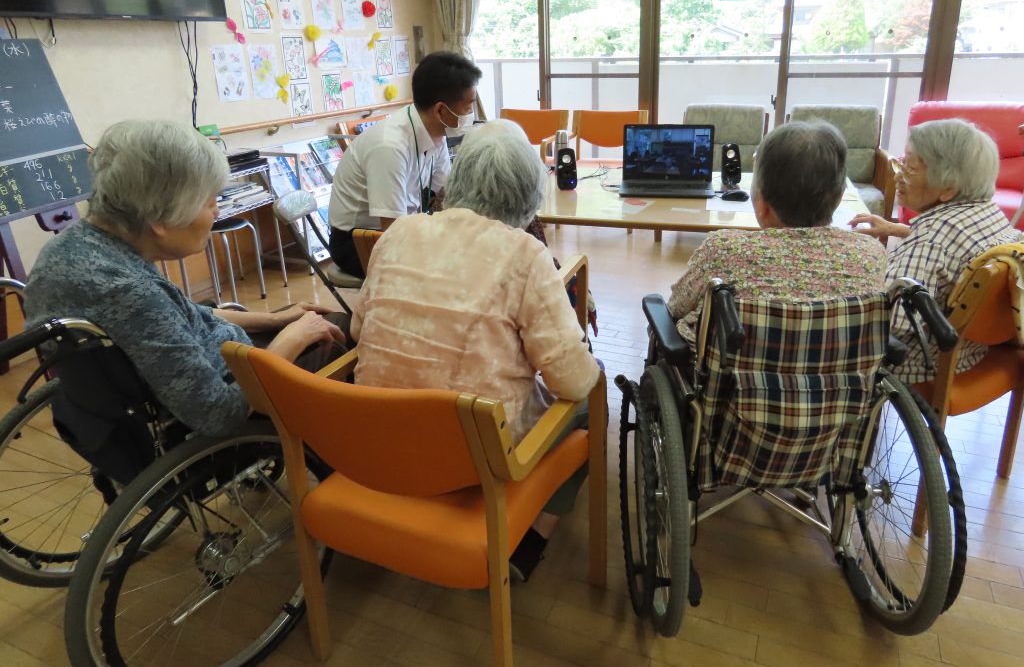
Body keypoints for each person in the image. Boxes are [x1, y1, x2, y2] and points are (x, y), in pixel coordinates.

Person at [348, 120, 601, 581]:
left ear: (455, 182)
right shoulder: (526, 255)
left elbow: (357, 327)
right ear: (530, 196)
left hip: (378, 439)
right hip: (475, 454)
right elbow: (573, 380)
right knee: (589, 398)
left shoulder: (399, 234)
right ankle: (530, 540)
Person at [24, 120, 348, 438]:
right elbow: (220, 414)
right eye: (210, 203)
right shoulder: (130, 292)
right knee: (343, 332)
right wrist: (292, 340)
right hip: (230, 398)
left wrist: (275, 321)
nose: (217, 213)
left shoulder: (68, 250)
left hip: (188, 371)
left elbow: (173, 317)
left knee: (309, 320)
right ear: (161, 218)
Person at [669, 121, 888, 342]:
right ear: (839, 198)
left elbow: (676, 307)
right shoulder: (871, 254)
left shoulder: (723, 250)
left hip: (729, 365)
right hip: (837, 366)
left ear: (762, 206)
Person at [850, 118, 1019, 383]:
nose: (898, 176)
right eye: (901, 163)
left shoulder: (931, 239)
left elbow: (890, 322)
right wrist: (898, 229)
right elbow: (959, 245)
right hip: (974, 349)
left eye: (910, 168)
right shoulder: (988, 211)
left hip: (921, 363)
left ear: (948, 189)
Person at [326, 51, 481, 277]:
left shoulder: (435, 132)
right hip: (360, 242)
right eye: (468, 107)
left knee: (472, 252)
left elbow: (447, 196)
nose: (471, 114)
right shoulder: (389, 146)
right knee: (450, 270)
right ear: (440, 110)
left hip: (404, 228)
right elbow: (392, 230)